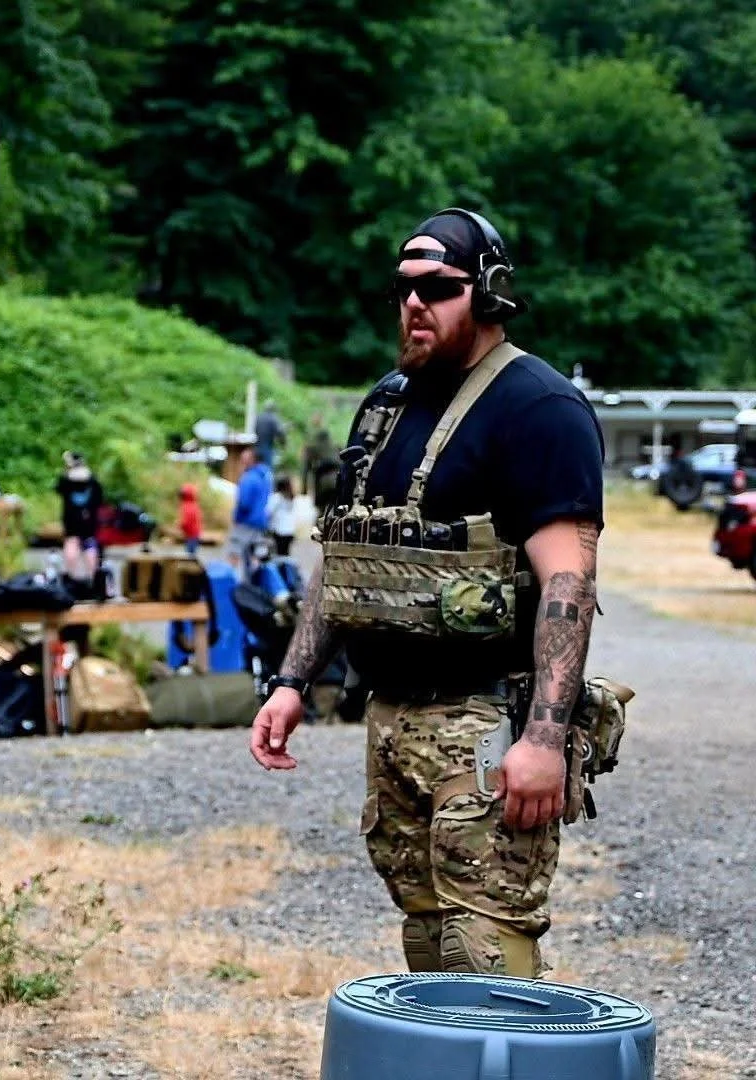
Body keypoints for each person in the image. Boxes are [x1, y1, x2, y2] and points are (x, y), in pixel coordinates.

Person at [250, 208, 605, 979]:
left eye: (438, 288)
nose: (414, 304)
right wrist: (291, 682)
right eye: (403, 289)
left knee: (488, 952)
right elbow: (348, 556)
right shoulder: (386, 405)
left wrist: (542, 740)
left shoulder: (539, 409)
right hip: (391, 719)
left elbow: (568, 582)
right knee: (426, 942)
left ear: (486, 295)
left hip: (483, 720)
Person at [55, 450, 104, 580]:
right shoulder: (92, 478)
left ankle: (71, 577)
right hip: (89, 518)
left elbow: (58, 490)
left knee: (71, 542)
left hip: (70, 518)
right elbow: (100, 498)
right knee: (90, 545)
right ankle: (93, 577)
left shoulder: (66, 478)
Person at [227, 446, 273, 569]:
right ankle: (256, 582)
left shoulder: (248, 478)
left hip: (245, 522)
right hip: (260, 521)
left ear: (251, 460)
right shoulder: (266, 476)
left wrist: (236, 519)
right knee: (255, 554)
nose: (241, 462)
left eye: (243, 459)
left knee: (234, 552)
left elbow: (244, 503)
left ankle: (230, 583)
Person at [301, 415, 341, 516]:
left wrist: (304, 490)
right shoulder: (336, 447)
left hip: (322, 483)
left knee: (321, 513)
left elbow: (306, 469)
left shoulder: (312, 448)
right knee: (337, 511)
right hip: (337, 481)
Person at [266, 474, 297, 557]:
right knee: (285, 554)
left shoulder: (276, 498)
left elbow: (268, 512)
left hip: (279, 531)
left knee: (278, 555)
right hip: (290, 531)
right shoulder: (291, 498)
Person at [254, 399, 286, 467]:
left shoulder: (259, 417)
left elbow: (255, 430)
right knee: (267, 468)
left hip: (256, 446)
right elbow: (280, 432)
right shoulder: (273, 418)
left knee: (257, 466)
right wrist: (283, 444)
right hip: (267, 447)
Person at [177, 482, 204, 556]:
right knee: (192, 554)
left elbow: (185, 522)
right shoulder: (194, 505)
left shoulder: (186, 506)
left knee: (190, 556)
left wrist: (180, 527)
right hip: (194, 534)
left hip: (191, 535)